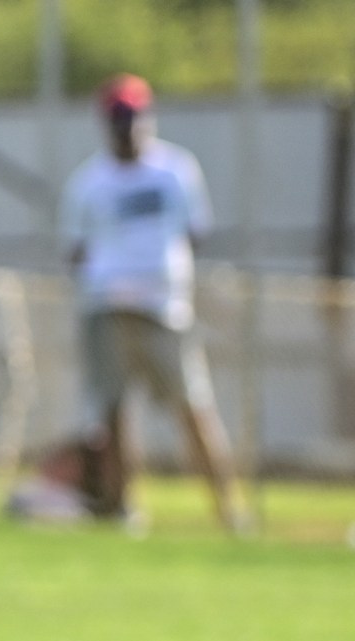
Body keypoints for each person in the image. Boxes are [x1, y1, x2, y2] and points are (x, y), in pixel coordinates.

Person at [59, 74, 246, 532]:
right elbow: (75, 248)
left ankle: (228, 509)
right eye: (119, 118)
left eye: (134, 117)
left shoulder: (176, 170)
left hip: (165, 307)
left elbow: (194, 231)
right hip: (107, 305)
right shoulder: (89, 182)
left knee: (193, 405)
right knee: (114, 410)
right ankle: (123, 508)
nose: (128, 127)